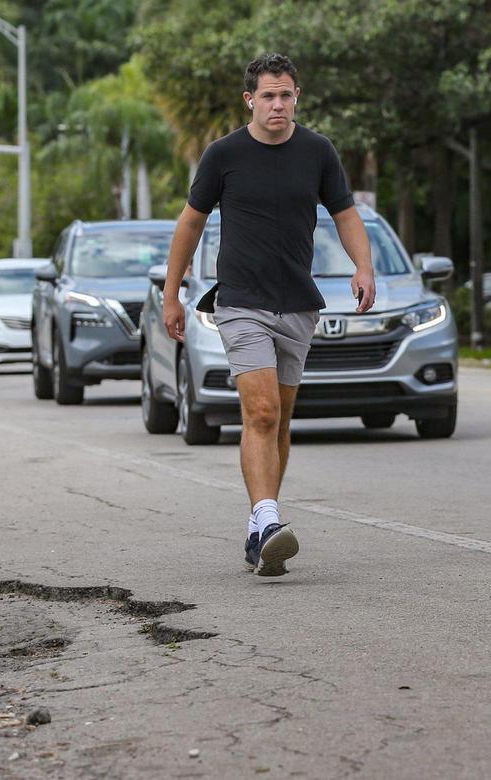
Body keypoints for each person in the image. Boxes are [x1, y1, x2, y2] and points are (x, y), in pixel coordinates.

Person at [161, 52, 376, 577]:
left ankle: (262, 533)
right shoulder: (223, 155)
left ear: (296, 97)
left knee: (278, 419)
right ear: (249, 100)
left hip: (298, 304)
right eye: (268, 95)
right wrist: (172, 295)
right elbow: (189, 225)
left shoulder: (318, 152)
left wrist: (363, 267)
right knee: (259, 413)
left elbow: (345, 214)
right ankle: (269, 518)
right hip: (240, 302)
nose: (277, 104)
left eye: (286, 94)